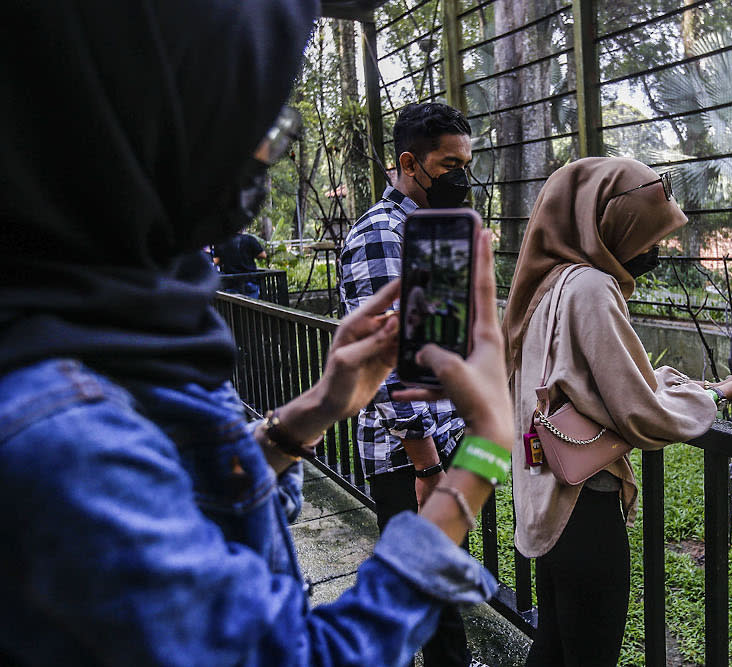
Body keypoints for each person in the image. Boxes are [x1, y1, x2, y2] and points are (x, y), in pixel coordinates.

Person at [0, 3, 515, 665]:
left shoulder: (116, 313)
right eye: (254, 124)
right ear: (152, 124)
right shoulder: (55, 437)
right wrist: (484, 457)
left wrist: (311, 412)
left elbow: (178, 499)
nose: (266, 154)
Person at [501, 157, 732, 667]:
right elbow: (639, 412)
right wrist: (723, 396)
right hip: (583, 506)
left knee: (553, 649)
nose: (653, 251)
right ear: (610, 226)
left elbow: (593, 388)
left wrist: (712, 385)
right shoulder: (591, 287)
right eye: (648, 237)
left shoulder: (549, 284)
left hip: (544, 499)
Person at [339, 102, 482, 667]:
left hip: (449, 435)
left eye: (466, 163)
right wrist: (425, 465)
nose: (461, 177)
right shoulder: (380, 235)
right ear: (409, 162)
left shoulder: (434, 228)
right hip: (408, 452)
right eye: (450, 164)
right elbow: (390, 361)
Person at [214, 230, 268, 298]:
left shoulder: (221, 242)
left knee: (233, 306)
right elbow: (263, 255)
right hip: (249, 279)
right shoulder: (249, 239)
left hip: (231, 281)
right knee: (251, 305)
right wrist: (249, 254)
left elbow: (216, 261)